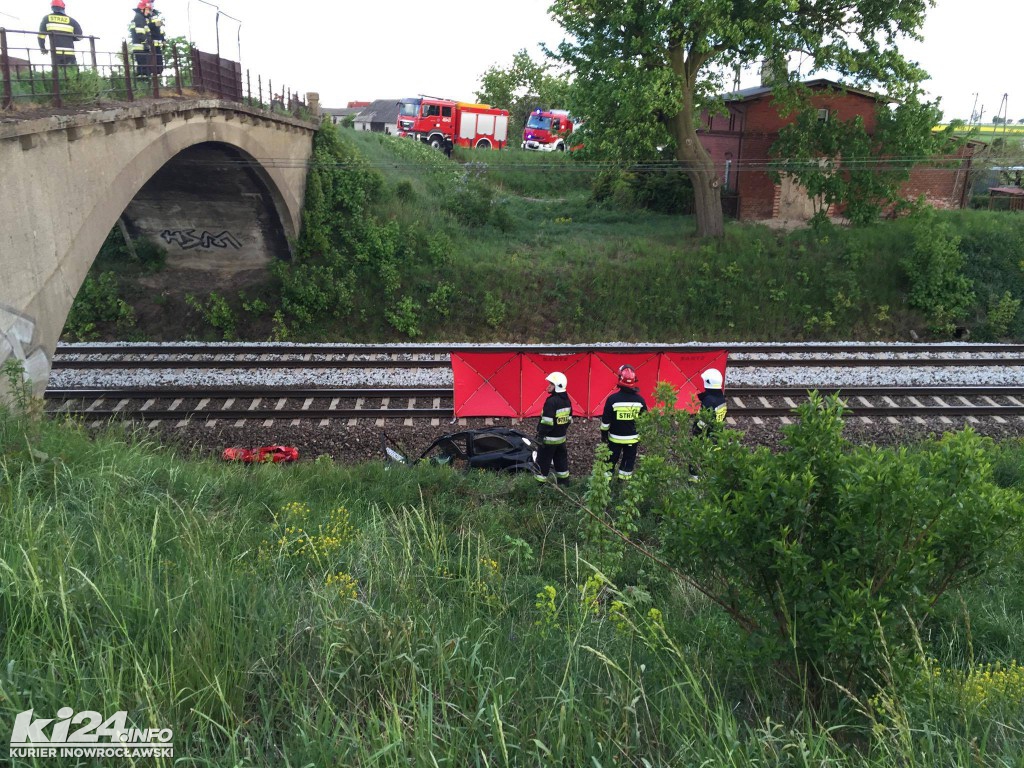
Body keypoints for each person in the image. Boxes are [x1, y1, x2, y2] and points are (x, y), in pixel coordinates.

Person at [600, 365, 648, 480]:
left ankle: (605, 488)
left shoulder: (612, 399)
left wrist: (604, 436)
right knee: (627, 464)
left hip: (614, 439)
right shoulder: (640, 401)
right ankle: (623, 486)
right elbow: (646, 421)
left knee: (610, 463)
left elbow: (605, 422)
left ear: (619, 379)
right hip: (633, 439)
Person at [534, 371, 573, 485]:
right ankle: (564, 484)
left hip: (548, 440)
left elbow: (547, 422)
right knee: (561, 463)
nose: (548, 386)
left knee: (542, 464)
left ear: (557, 386)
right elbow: (568, 420)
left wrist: (540, 436)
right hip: (561, 439)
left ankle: (539, 487)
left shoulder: (551, 402)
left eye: (551, 384)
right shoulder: (567, 401)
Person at [690, 368, 727, 479]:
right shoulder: (720, 398)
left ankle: (695, 485)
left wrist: (695, 432)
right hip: (716, 438)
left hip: (705, 441)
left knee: (696, 466)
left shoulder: (709, 401)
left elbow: (702, 423)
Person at [38, 0, 83, 67]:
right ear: (63, 8)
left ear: (52, 8)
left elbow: (41, 36)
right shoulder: (71, 20)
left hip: (56, 53)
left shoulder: (46, 19)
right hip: (70, 53)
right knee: (73, 73)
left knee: (58, 74)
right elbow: (80, 37)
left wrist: (43, 49)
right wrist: (69, 38)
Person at [130, 0, 165, 80]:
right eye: (147, 9)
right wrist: (146, 43)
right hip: (141, 47)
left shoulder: (142, 18)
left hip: (145, 46)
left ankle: (145, 83)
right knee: (144, 68)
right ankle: (143, 85)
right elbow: (140, 33)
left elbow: (157, 30)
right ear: (142, 9)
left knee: (146, 67)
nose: (148, 11)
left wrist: (162, 40)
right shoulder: (139, 18)